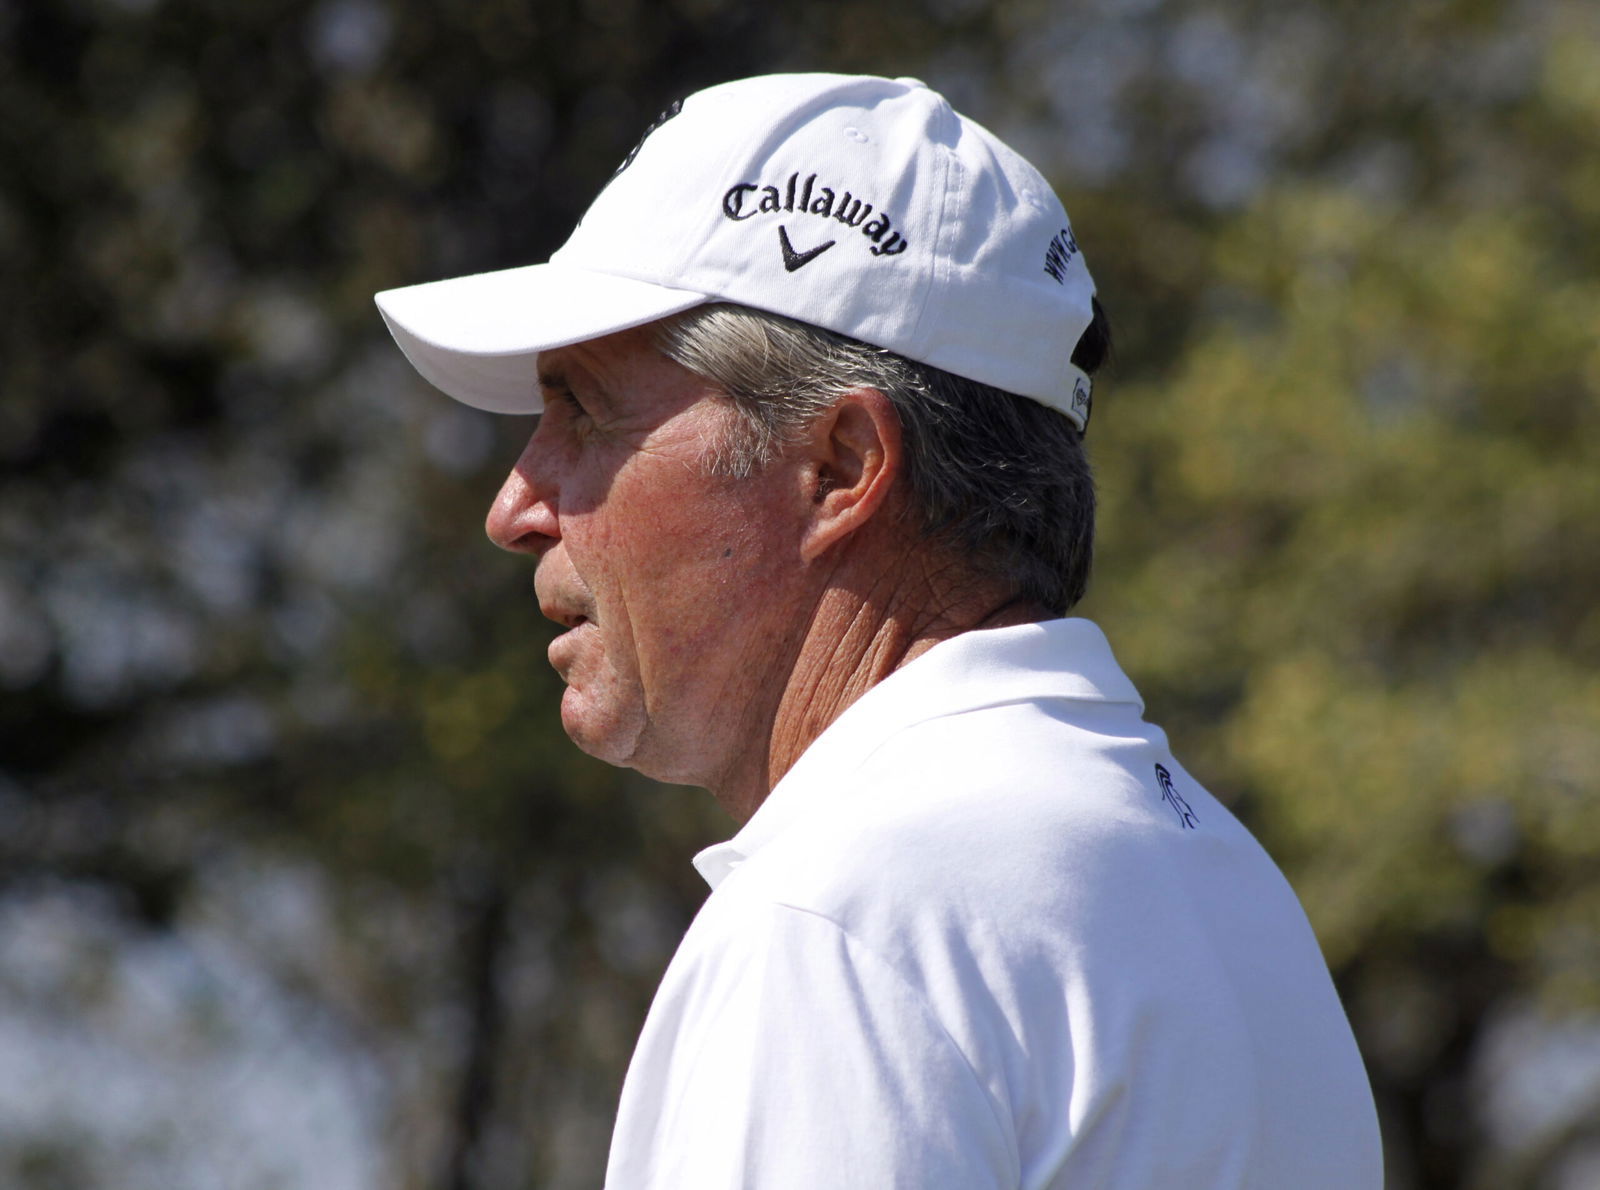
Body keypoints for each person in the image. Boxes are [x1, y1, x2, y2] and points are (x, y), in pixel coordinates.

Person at [375, 72, 1382, 1189]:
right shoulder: (1223, 883)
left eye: (583, 411)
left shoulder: (842, 920)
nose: (514, 506)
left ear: (841, 467)